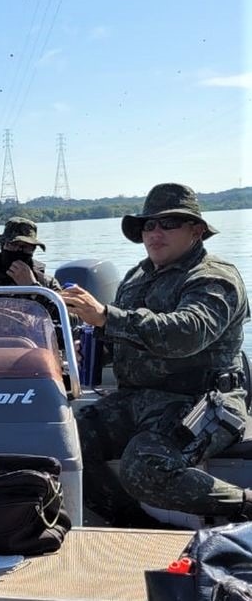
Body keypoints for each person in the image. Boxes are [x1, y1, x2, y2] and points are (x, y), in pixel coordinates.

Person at [62, 183, 251, 527]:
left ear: (196, 231)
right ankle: (133, 526)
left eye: (168, 224)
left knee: (144, 465)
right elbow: (125, 336)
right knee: (65, 439)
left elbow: (186, 333)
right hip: (139, 398)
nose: (155, 233)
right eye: (149, 225)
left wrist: (106, 317)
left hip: (204, 401)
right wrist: (94, 345)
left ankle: (245, 506)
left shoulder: (214, 278)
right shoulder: (136, 277)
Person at [0, 217, 64, 290]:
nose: (19, 251)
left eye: (26, 247)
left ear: (33, 250)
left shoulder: (47, 283)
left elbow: (70, 317)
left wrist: (33, 288)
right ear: (1, 246)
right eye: (13, 245)